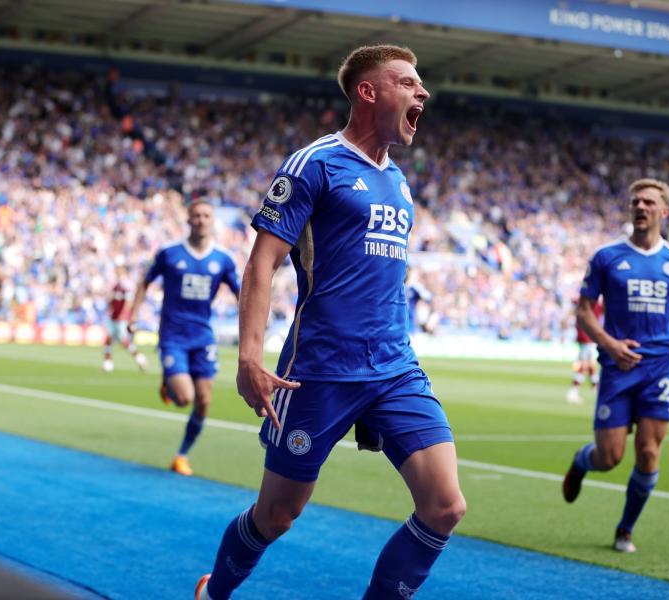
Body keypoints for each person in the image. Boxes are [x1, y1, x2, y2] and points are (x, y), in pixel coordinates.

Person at [195, 45, 465, 600]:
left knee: (445, 507)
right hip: (318, 369)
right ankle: (214, 592)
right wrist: (249, 357)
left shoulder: (400, 183)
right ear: (369, 91)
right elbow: (261, 262)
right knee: (276, 515)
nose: (424, 93)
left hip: (394, 367)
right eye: (409, 83)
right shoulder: (315, 164)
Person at [561, 178, 669, 553]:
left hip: (659, 369)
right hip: (618, 367)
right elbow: (584, 310)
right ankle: (581, 462)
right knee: (609, 458)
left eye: (649, 202)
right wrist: (609, 343)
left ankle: (625, 529)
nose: (640, 206)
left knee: (650, 452)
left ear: (663, 211)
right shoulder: (606, 257)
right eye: (635, 201)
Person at [128, 200, 240, 476]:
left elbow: (243, 293)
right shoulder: (169, 253)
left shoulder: (223, 259)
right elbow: (144, 281)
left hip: (203, 336)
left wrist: (254, 319)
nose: (201, 220)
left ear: (212, 221)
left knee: (204, 400)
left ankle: (182, 455)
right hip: (172, 337)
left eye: (206, 215)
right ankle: (170, 382)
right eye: (196, 215)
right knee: (184, 398)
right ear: (188, 220)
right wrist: (132, 316)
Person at [102, 267, 146, 373]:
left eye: (119, 269)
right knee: (108, 340)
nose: (117, 271)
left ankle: (140, 359)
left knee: (124, 342)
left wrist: (124, 314)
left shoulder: (126, 284)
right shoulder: (116, 285)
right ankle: (108, 365)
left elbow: (129, 301)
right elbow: (112, 300)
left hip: (121, 318)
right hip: (114, 317)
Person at [567, 298, 603, 405]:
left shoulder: (583, 306)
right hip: (588, 339)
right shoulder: (594, 306)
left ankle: (596, 390)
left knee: (590, 366)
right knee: (585, 365)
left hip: (585, 339)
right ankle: (573, 391)